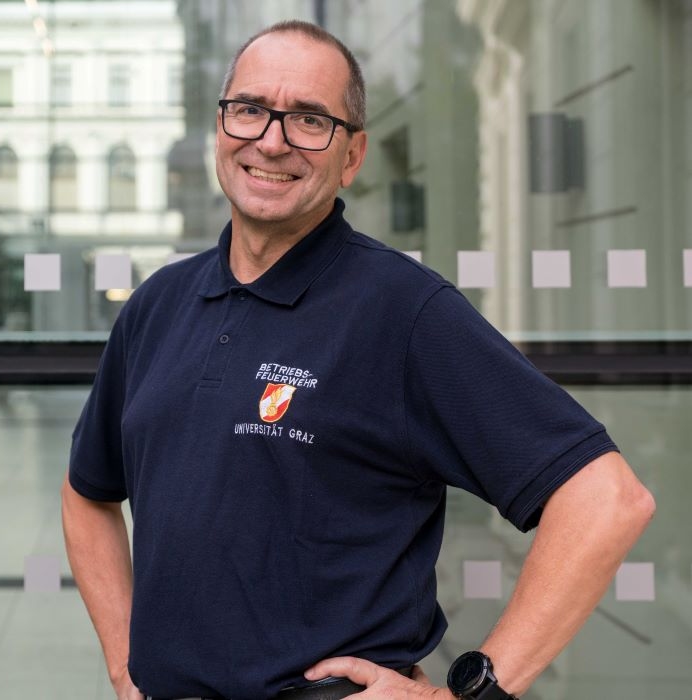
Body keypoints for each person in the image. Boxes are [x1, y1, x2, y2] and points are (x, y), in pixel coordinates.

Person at [61, 20, 655, 700]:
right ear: (221, 128)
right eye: (250, 109)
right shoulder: (159, 304)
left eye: (310, 119)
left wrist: (474, 694)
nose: (272, 139)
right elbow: (87, 492)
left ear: (352, 155)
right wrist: (123, 662)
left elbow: (606, 500)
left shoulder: (403, 312)